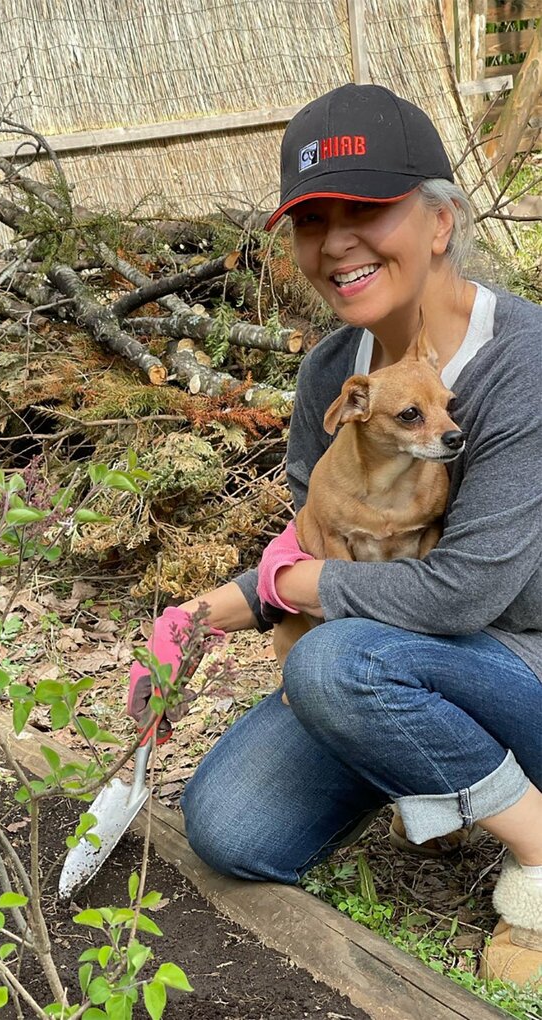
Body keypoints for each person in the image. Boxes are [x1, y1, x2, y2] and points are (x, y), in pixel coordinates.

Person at [127, 84, 542, 987]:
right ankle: (430, 772)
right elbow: (308, 545)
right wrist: (192, 619)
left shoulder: (524, 363)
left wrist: (299, 590)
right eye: (314, 219)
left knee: (332, 660)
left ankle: (539, 855)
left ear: (439, 221)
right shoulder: (332, 373)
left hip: (522, 660)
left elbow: (466, 593)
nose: (339, 240)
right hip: (388, 660)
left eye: (370, 209)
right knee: (232, 827)